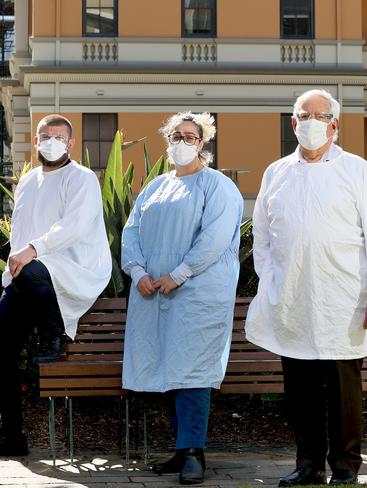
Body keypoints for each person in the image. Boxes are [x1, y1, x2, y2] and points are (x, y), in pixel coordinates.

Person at [245, 89, 367, 486]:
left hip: (344, 300)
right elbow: (261, 234)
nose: (311, 122)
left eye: (320, 115)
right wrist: (271, 279)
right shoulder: (276, 172)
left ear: (335, 124)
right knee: (301, 393)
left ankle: (345, 468)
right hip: (292, 300)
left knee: (344, 394)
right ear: (293, 123)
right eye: (303, 115)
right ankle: (308, 465)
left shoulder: (357, 170)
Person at [121, 112, 243, 484]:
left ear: (203, 143)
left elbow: (215, 238)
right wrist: (138, 272)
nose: (182, 142)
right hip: (152, 294)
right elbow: (132, 231)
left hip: (197, 294)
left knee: (192, 372)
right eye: (176, 135)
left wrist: (178, 275)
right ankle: (180, 449)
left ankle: (194, 453)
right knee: (167, 371)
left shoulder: (217, 186)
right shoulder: (155, 186)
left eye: (191, 136)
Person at [0, 114, 111, 456]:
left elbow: (74, 226)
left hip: (72, 268)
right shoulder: (28, 180)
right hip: (28, 276)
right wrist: (10, 274)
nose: (51, 141)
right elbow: (19, 233)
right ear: (35, 140)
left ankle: (53, 333)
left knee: (32, 267)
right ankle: (13, 437)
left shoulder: (82, 179)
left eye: (59, 137)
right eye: (45, 136)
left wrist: (33, 250)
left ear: (71, 144)